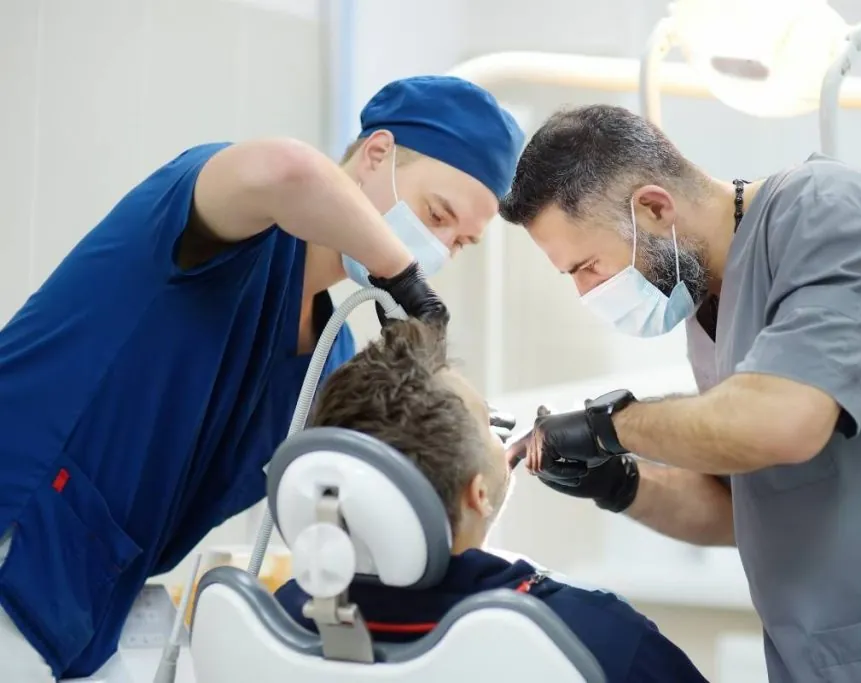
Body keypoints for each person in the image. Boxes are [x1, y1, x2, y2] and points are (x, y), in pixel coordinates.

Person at [0, 75, 523, 681]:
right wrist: (401, 275)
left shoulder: (329, 356)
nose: (436, 249)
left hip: (85, 609)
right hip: (20, 538)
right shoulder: (225, 221)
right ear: (376, 155)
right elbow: (288, 168)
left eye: (458, 243)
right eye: (437, 215)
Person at [497, 104, 861, 683]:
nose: (586, 293)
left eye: (588, 266)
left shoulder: (825, 214)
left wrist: (610, 425)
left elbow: (782, 423)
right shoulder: (707, 308)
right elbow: (748, 513)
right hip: (829, 658)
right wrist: (620, 482)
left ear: (652, 208)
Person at [274, 319, 708, 683]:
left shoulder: (286, 620)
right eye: (487, 420)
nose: (503, 430)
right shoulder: (593, 636)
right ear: (478, 493)